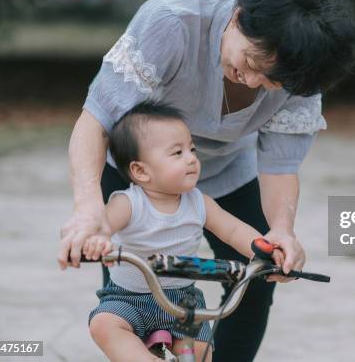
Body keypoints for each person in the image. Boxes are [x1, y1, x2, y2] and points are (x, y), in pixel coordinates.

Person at [58, 0, 355, 361]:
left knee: (256, 280)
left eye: (272, 81)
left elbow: (279, 167)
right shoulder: (171, 22)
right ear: (238, 17)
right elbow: (95, 122)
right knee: (128, 294)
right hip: (140, 175)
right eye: (252, 61)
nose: (252, 81)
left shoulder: (301, 75)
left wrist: (281, 230)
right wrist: (87, 211)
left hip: (227, 171)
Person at [84, 100, 271, 362]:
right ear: (141, 170)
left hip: (183, 302)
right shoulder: (128, 203)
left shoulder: (199, 202)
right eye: (177, 153)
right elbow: (103, 224)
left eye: (191, 149)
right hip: (127, 299)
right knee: (104, 325)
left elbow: (233, 230)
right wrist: (96, 240)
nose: (192, 159)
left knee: (199, 352)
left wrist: (265, 250)